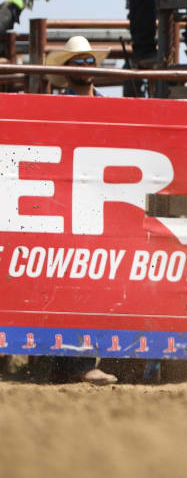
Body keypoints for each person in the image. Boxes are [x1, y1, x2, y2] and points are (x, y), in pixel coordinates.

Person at [41, 37, 117, 383]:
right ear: (66, 70)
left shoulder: (110, 107)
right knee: (68, 281)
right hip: (64, 204)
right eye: (78, 62)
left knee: (93, 282)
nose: (85, 68)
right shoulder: (55, 106)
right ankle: (75, 364)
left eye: (89, 62)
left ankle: (77, 364)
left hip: (99, 203)